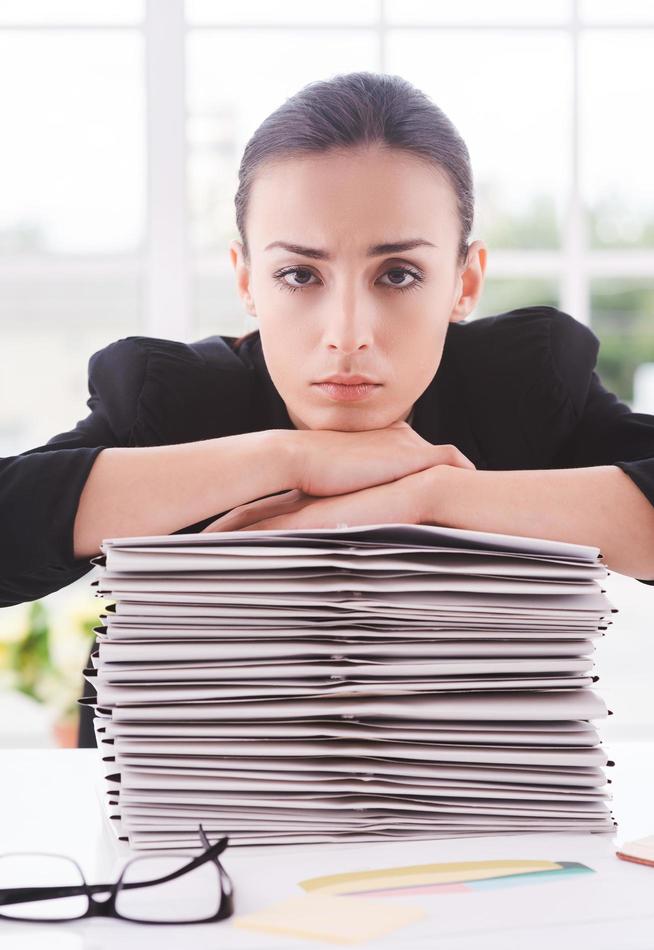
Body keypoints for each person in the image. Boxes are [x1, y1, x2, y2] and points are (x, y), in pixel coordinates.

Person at [2, 71, 654, 746]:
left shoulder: (519, 385)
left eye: (397, 274)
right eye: (299, 274)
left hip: (458, 808)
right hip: (179, 807)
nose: (348, 332)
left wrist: (427, 498)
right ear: (247, 279)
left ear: (465, 283)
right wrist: (290, 456)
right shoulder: (174, 398)